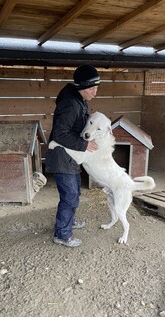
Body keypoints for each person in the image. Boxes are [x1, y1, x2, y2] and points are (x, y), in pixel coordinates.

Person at [45, 64, 100, 248]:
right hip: (62, 157)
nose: (95, 92)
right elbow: (60, 134)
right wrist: (85, 144)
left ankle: (69, 221)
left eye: (96, 87)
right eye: (92, 88)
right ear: (82, 87)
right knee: (70, 196)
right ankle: (62, 234)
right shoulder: (70, 104)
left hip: (72, 156)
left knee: (74, 192)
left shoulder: (79, 99)